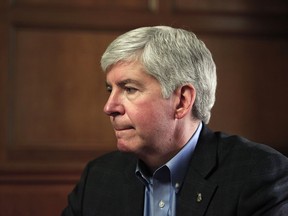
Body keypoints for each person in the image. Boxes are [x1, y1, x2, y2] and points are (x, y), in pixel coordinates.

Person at [61, 26, 288, 216]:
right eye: (110, 89)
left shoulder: (260, 175)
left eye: (129, 89)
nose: (109, 107)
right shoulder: (99, 176)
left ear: (182, 101)